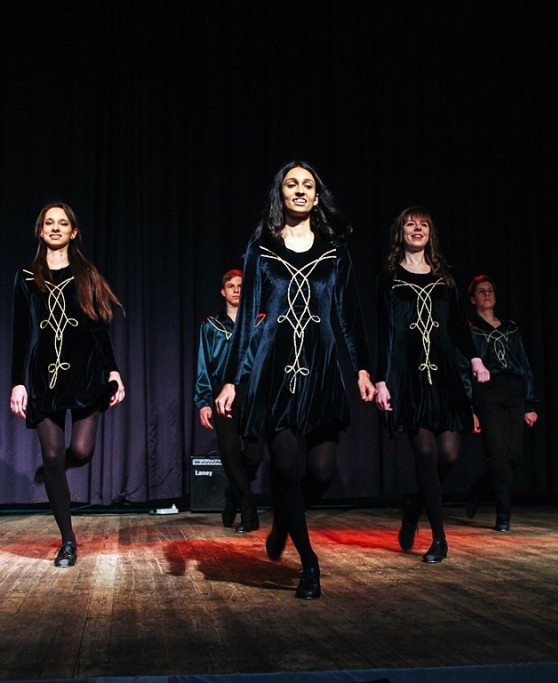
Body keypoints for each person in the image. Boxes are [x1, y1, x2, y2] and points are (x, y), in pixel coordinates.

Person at [215, 161, 376, 600]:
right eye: (292, 184)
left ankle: (285, 521)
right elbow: (246, 322)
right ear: (281, 194)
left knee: (320, 472)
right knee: (287, 468)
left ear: (317, 196)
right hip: (274, 372)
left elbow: (349, 316)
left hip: (321, 370)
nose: (300, 190)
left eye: (308, 185)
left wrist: (362, 369)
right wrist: (231, 379)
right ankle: (309, 563)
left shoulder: (335, 251)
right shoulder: (262, 250)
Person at [10, 202, 125, 567]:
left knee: (83, 451)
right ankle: (68, 541)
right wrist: (17, 383)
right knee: (52, 455)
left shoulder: (86, 273)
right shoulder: (26, 276)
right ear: (41, 230)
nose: (56, 228)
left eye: (62, 223)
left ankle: (53, 470)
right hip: (44, 376)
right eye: (49, 222)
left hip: (85, 372)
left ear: (73, 232)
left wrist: (113, 370)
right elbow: (20, 333)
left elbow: (98, 325)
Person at [373, 207, 489, 563]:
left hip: (444, 375)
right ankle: (439, 538)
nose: (417, 229)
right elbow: (383, 332)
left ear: (430, 234)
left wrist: (475, 359)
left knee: (449, 455)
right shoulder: (389, 278)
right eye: (410, 224)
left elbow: (458, 325)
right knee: (425, 453)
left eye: (423, 225)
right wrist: (381, 379)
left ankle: (414, 505)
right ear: (401, 232)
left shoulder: (444, 279)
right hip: (408, 376)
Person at [462, 274, 539, 531]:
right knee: (497, 454)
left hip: (513, 390)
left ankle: (478, 489)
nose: (487, 294)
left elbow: (524, 365)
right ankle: (503, 515)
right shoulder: (470, 330)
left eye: (490, 290)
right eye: (481, 291)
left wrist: (529, 404)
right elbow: (464, 371)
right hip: (488, 391)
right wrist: (470, 409)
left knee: (514, 454)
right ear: (472, 299)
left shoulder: (511, 328)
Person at [194, 269, 265, 533]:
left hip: (253, 392)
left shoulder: (260, 323)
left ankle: (233, 495)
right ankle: (249, 515)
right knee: (230, 452)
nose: (236, 289)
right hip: (222, 393)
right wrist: (203, 401)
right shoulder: (211, 326)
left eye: (241, 286)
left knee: (255, 454)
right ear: (222, 292)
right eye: (231, 286)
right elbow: (203, 365)